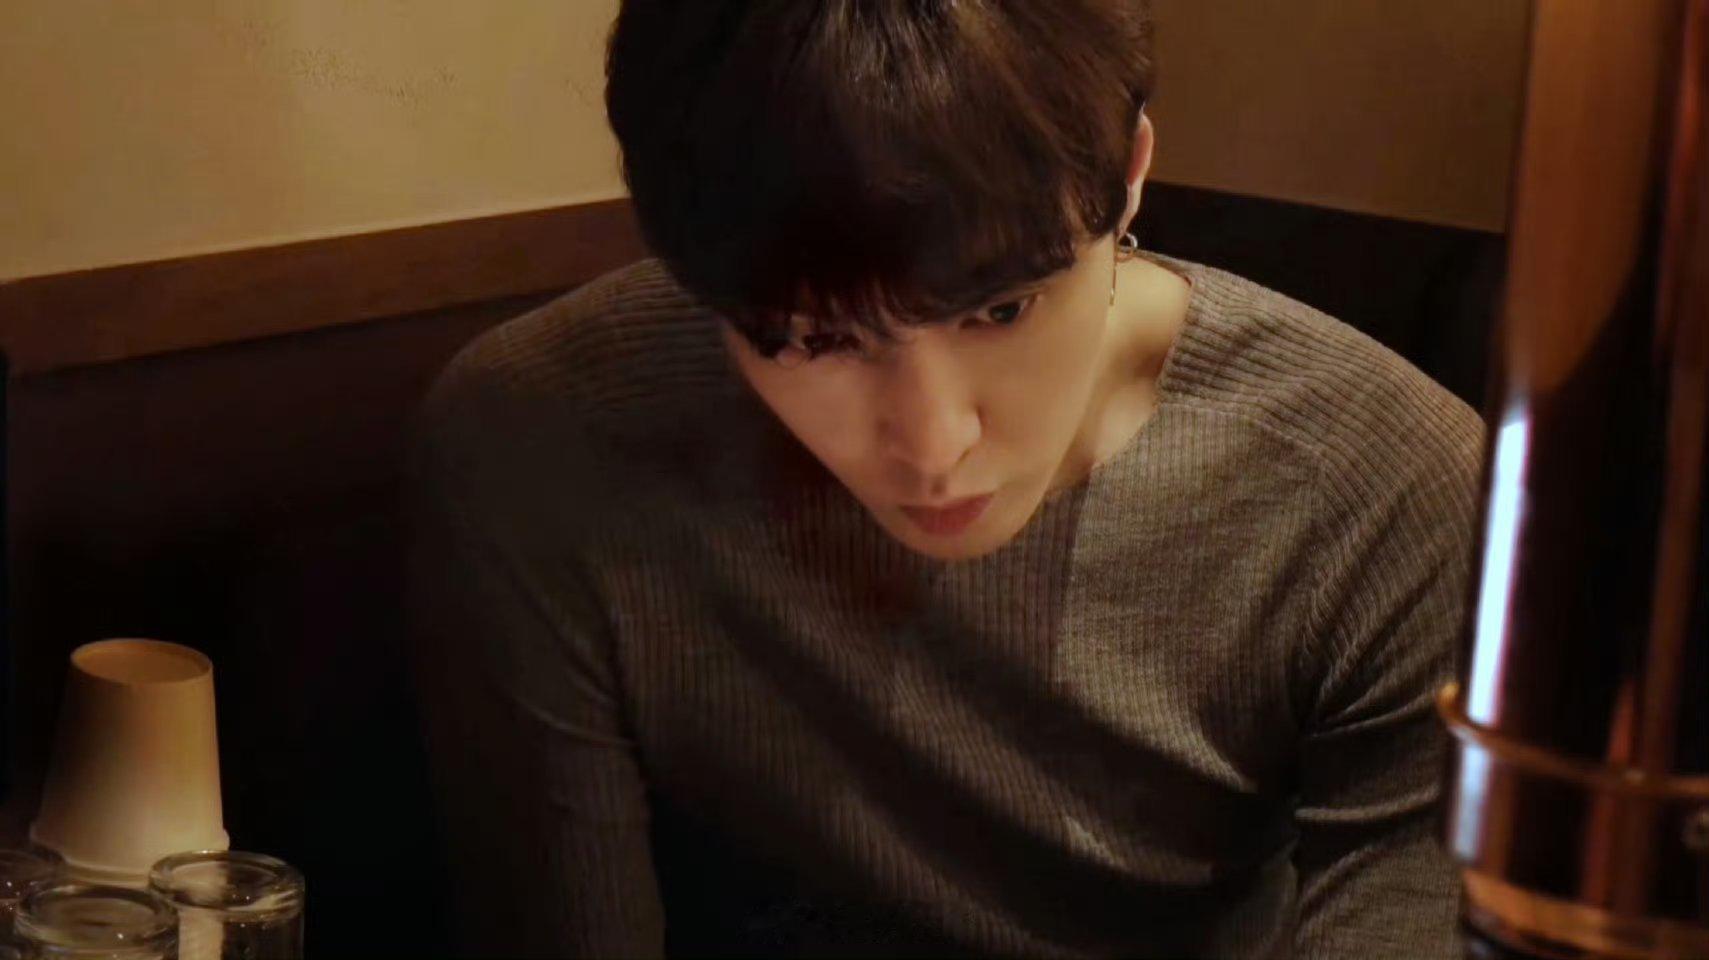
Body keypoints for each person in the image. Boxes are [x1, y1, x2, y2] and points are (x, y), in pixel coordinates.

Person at [408, 1, 1485, 956]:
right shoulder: (540, 438)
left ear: (1128, 173)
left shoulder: (1381, 483)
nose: (933, 446)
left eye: (1000, 310)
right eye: (809, 339)